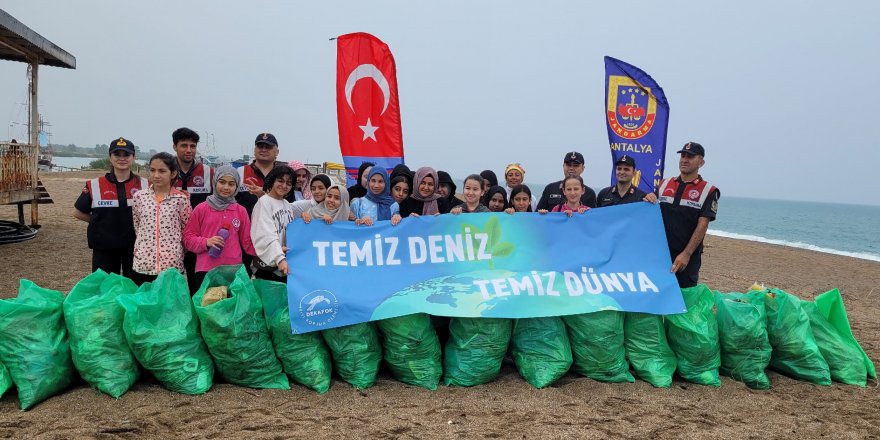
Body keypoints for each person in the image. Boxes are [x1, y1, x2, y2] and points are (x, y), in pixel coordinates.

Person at [73, 137, 148, 278]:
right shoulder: (95, 184)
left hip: (136, 247)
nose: (122, 158)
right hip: (104, 247)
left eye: (126, 155)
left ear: (134, 157)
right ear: (110, 157)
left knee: (134, 289)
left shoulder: (145, 184)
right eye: (117, 154)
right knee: (104, 289)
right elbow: (78, 212)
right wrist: (98, 221)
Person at [657, 142, 720, 288]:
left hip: (687, 258)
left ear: (701, 162)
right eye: (683, 156)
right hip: (660, 254)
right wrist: (649, 198)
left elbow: (703, 224)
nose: (684, 160)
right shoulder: (664, 184)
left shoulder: (709, 190)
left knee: (684, 299)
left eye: (690, 156)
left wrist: (686, 254)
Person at [183, 165, 256, 290]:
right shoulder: (201, 208)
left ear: (237, 186)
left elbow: (248, 243)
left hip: (233, 270)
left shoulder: (240, 211)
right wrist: (206, 242)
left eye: (231, 184)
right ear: (215, 182)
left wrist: (272, 253)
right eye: (222, 182)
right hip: (206, 270)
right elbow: (188, 239)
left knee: (231, 308)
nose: (226, 187)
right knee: (207, 308)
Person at [131, 153, 192, 285]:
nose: (156, 175)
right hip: (143, 263)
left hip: (171, 265)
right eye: (152, 170)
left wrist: (177, 252)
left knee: (169, 304)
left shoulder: (181, 199)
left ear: (173, 173)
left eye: (162, 171)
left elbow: (186, 230)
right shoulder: (139, 197)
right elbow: (138, 225)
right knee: (144, 303)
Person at [170, 127, 213, 294]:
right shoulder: (166, 172)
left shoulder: (209, 172)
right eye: (184, 145)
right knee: (174, 285)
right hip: (172, 239)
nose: (189, 150)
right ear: (175, 146)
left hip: (200, 239)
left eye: (192, 146)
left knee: (199, 285)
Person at [250, 165, 297, 283]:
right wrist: (279, 258)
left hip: (283, 264)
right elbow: (266, 234)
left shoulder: (286, 204)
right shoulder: (264, 202)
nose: (284, 186)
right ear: (272, 180)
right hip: (268, 265)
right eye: (280, 181)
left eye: (288, 183)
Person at [236, 132, 293, 216]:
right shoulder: (240, 172)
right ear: (254, 150)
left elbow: (290, 204)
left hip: (274, 227)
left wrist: (266, 194)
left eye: (268, 147)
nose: (263, 149)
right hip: (246, 227)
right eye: (260, 146)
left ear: (277, 152)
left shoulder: (285, 175)